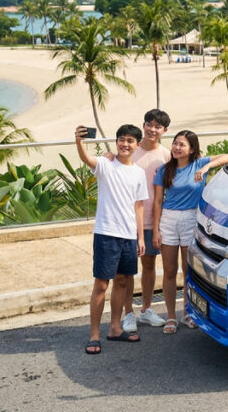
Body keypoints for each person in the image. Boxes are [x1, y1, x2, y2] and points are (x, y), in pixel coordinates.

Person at [76, 124, 148, 354]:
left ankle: (115, 328)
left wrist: (140, 237)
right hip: (106, 233)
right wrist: (79, 141)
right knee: (101, 285)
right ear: (116, 142)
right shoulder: (106, 164)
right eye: (121, 140)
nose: (125, 144)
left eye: (130, 141)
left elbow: (139, 206)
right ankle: (94, 334)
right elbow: (86, 159)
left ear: (137, 145)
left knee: (123, 282)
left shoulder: (138, 173)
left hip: (128, 235)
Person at [153, 130, 228, 333]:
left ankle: (188, 312)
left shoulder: (199, 164)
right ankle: (171, 316)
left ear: (191, 149)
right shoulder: (164, 170)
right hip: (168, 219)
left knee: (189, 269)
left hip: (191, 218)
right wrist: (155, 230)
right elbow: (158, 201)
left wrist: (207, 166)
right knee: (169, 271)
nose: (176, 147)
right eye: (175, 143)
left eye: (182, 145)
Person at [122, 109, 171, 332]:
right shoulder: (131, 150)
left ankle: (146, 309)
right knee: (127, 269)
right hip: (127, 221)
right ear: (143, 126)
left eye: (157, 126)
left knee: (149, 265)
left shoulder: (166, 155)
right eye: (149, 124)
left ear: (164, 130)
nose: (152, 129)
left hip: (153, 220)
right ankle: (128, 313)